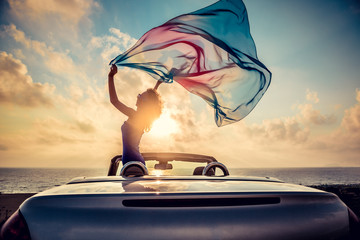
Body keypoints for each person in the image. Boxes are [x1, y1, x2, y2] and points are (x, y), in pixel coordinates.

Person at [108, 65, 163, 176]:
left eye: (140, 96)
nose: (137, 97)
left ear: (145, 104)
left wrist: (110, 76)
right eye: (139, 95)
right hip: (134, 163)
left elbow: (114, 101)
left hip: (132, 165)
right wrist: (157, 84)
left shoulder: (134, 115)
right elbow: (151, 101)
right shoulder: (143, 118)